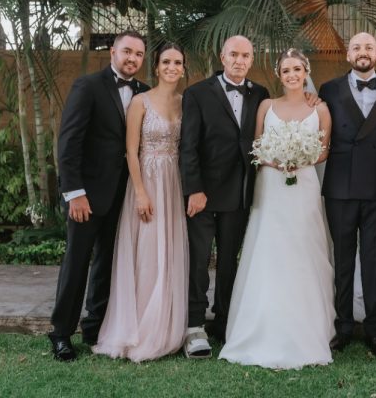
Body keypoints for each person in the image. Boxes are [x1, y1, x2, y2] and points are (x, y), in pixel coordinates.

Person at [219, 49, 334, 369]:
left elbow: (325, 150)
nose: (292, 75)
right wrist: (276, 160)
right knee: (267, 250)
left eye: (297, 69)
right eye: (286, 70)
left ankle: (307, 328)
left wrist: (300, 159)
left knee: (304, 250)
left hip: (304, 185)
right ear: (278, 75)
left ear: (306, 71)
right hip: (270, 185)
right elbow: (256, 144)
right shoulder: (266, 106)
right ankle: (259, 325)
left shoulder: (320, 108)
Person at [49, 31, 149, 361]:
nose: (132, 58)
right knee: (77, 263)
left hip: (123, 196)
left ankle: (94, 327)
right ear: (112, 52)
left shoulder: (144, 92)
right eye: (127, 51)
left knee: (109, 263)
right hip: (87, 195)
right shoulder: (88, 86)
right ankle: (61, 333)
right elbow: (69, 142)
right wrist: (74, 193)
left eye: (138, 54)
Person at [92, 43, 188, 362]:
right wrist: (141, 192)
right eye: (166, 62)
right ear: (156, 67)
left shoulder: (185, 102)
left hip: (173, 183)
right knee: (146, 252)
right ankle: (140, 328)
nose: (172, 67)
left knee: (168, 252)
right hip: (146, 181)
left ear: (183, 68)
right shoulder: (140, 101)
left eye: (178, 62)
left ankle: (166, 326)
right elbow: (131, 151)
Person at [179, 35, 270, 358]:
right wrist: (194, 189)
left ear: (252, 59)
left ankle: (224, 321)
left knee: (230, 261)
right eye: (234, 54)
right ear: (222, 56)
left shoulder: (261, 94)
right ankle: (194, 325)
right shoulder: (197, 93)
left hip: (239, 193)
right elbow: (188, 146)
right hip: (203, 195)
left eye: (245, 55)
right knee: (199, 260)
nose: (239, 60)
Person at [319, 32, 376, 358]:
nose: (362, 52)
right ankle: (342, 328)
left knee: (372, 259)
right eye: (356, 47)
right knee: (342, 258)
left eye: (369, 47)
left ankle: (375, 331)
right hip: (340, 186)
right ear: (348, 54)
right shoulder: (328, 89)